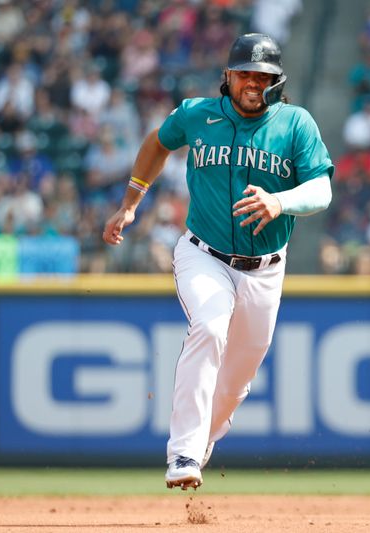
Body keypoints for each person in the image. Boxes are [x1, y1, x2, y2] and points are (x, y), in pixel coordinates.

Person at [102, 33, 334, 490]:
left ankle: (202, 442)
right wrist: (131, 202)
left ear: (276, 81)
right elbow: (157, 142)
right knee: (208, 327)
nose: (253, 81)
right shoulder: (196, 114)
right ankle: (183, 452)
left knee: (235, 384)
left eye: (262, 75)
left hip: (266, 269)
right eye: (244, 72)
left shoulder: (295, 123)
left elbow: (322, 190)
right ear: (227, 76)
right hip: (203, 255)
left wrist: (281, 202)